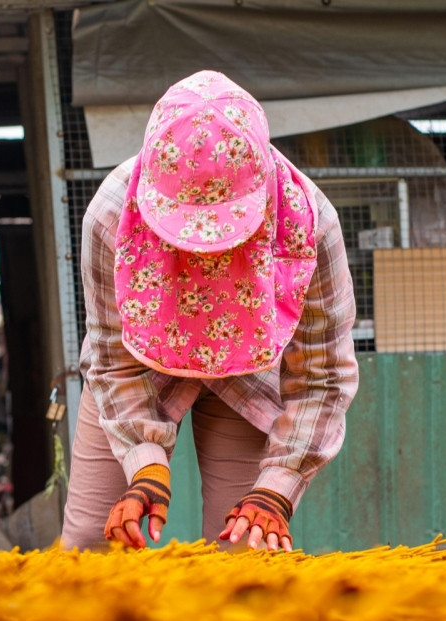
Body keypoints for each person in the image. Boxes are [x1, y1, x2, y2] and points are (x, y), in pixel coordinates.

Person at [61, 70, 358, 553]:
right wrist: (146, 465)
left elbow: (322, 378)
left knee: (244, 554)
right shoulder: (112, 215)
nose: (203, 254)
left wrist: (277, 489)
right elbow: (113, 359)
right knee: (90, 546)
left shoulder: (310, 224)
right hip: (137, 372)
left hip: (252, 375)